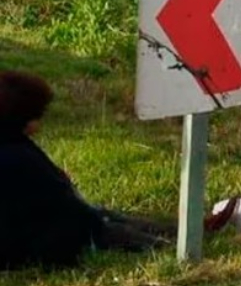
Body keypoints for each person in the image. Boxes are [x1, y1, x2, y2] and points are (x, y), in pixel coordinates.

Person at [0, 71, 173, 270]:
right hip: (26, 245)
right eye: (37, 116)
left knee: (101, 215)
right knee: (98, 223)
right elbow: (65, 204)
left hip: (22, 229)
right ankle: (164, 244)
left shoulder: (12, 143)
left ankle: (172, 231)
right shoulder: (18, 156)